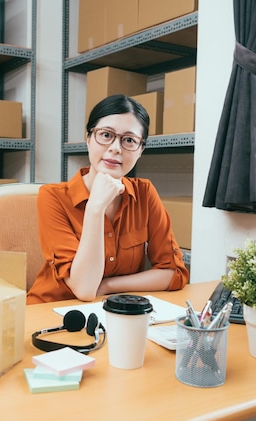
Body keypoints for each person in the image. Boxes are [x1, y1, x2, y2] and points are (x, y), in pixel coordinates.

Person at [27, 94, 189, 304]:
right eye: (105, 135)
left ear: (141, 150)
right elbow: (85, 289)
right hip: (50, 311)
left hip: (113, 310)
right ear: (88, 138)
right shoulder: (53, 197)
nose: (115, 148)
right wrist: (95, 207)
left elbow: (174, 273)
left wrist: (107, 286)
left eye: (129, 140)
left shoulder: (144, 193)